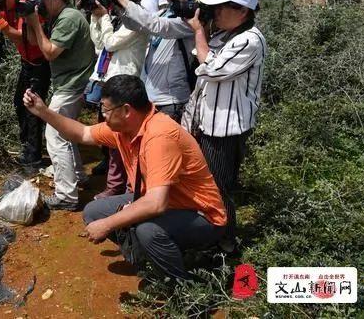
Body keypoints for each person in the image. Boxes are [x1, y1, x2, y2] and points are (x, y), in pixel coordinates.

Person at [23, 75, 226, 281]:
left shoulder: (159, 137)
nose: (103, 115)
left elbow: (156, 204)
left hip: (200, 215)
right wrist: (43, 111)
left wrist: (108, 224)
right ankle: (151, 257)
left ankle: (181, 288)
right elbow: (82, 133)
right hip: (164, 201)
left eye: (105, 109)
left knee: (149, 231)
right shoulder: (125, 129)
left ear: (127, 110)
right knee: (95, 211)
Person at [183, 0, 266, 252]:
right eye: (213, 8)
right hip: (207, 124)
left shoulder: (249, 40)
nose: (215, 13)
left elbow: (213, 69)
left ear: (242, 11)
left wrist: (198, 33)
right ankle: (209, 232)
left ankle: (225, 242)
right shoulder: (223, 36)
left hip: (225, 129)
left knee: (219, 187)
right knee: (205, 183)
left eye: (221, 8)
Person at [113, 0, 214, 122]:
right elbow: (136, 25)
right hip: (152, 96)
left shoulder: (193, 15)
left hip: (172, 100)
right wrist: (117, 3)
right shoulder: (165, 12)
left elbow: (158, 25)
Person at [25, 0, 95, 210]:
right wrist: (29, 20)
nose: (40, 6)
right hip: (69, 83)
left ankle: (66, 195)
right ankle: (77, 176)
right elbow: (35, 41)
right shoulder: (60, 17)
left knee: (55, 135)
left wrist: (36, 22)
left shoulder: (69, 18)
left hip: (72, 85)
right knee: (66, 131)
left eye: (41, 1)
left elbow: (50, 53)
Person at [0, 0, 50, 174]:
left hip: (42, 63)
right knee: (19, 103)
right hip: (26, 63)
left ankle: (34, 155)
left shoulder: (25, 7)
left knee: (33, 107)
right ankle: (27, 145)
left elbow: (25, 37)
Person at [87, 0, 149, 199]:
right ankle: (117, 182)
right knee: (109, 136)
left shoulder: (136, 21)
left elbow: (110, 42)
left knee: (120, 138)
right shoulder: (115, 20)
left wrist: (103, 18)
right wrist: (97, 18)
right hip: (109, 80)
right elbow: (98, 45)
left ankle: (120, 187)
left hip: (124, 84)